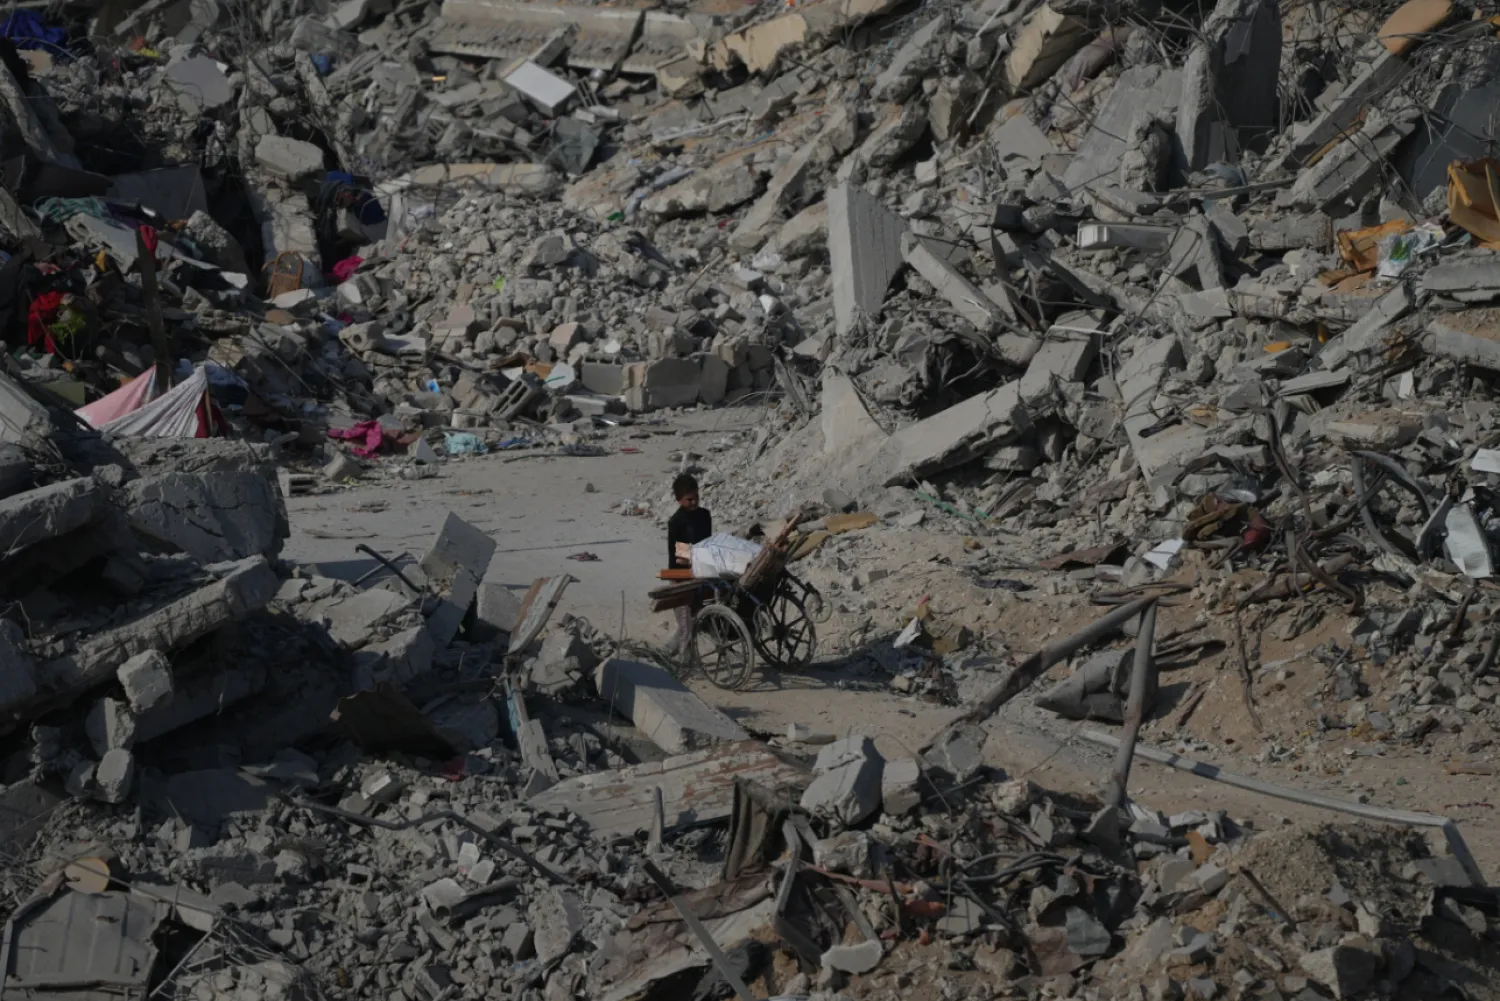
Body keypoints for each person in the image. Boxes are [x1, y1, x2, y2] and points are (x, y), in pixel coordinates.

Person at [667, 473, 712, 656]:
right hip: (680, 574)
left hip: (700, 571)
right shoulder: (677, 523)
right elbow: (677, 555)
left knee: (692, 620)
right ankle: (687, 664)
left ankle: (669, 652)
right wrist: (681, 580)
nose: (694, 502)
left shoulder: (704, 516)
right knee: (686, 625)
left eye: (696, 497)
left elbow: (707, 543)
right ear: (679, 500)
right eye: (689, 499)